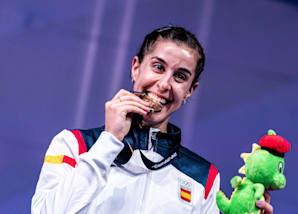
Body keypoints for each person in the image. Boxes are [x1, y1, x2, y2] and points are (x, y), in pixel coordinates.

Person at [31, 26, 273, 214]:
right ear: (136, 67)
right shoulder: (75, 145)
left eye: (180, 76)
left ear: (190, 90)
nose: (165, 84)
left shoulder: (203, 177)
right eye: (158, 67)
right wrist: (109, 141)